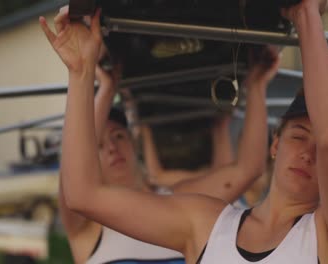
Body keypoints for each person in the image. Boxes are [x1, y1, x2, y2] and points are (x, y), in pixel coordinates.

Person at [42, 0, 328, 262]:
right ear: (275, 143)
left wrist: (306, 13)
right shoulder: (206, 223)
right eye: (298, 136)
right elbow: (82, 195)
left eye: (320, 150)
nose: (306, 154)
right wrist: (82, 73)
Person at [43, 7, 278, 264]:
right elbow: (74, 182)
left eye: (119, 136)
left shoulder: (175, 202)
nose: (111, 148)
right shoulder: (87, 224)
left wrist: (256, 87)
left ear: (134, 145)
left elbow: (249, 169)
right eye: (99, 145)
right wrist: (98, 82)